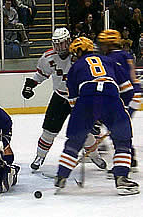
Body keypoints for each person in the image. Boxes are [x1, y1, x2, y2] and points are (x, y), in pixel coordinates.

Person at [54, 36, 139, 196]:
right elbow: (128, 90)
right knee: (122, 141)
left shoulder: (75, 67)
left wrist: (87, 121)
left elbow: (73, 101)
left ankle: (61, 176)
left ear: (79, 51)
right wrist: (121, 110)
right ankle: (121, 178)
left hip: (86, 99)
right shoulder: (110, 61)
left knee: (74, 141)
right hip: (110, 96)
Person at [22, 28, 106, 171]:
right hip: (60, 97)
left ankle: (95, 156)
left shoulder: (79, 54)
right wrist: (30, 85)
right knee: (49, 130)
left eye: (62, 44)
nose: (59, 48)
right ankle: (40, 156)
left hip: (79, 99)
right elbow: (41, 74)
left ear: (68, 41)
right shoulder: (48, 57)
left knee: (84, 131)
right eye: (56, 44)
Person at [97, 29, 141, 173]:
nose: (101, 47)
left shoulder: (111, 58)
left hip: (128, 95)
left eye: (103, 44)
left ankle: (125, 163)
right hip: (134, 94)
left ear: (110, 44)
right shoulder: (124, 54)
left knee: (117, 129)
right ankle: (130, 157)